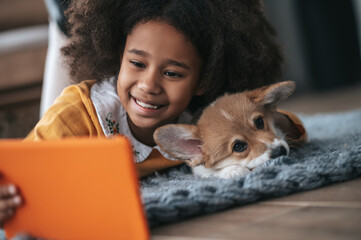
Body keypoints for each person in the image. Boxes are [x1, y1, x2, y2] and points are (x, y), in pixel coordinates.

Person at [0, 0, 306, 227]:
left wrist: (267, 126)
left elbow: (289, 129)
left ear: (202, 81)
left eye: (172, 73)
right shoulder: (78, 114)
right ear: (119, 57)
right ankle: (60, 21)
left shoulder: (197, 124)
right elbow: (21, 171)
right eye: (136, 63)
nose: (148, 85)